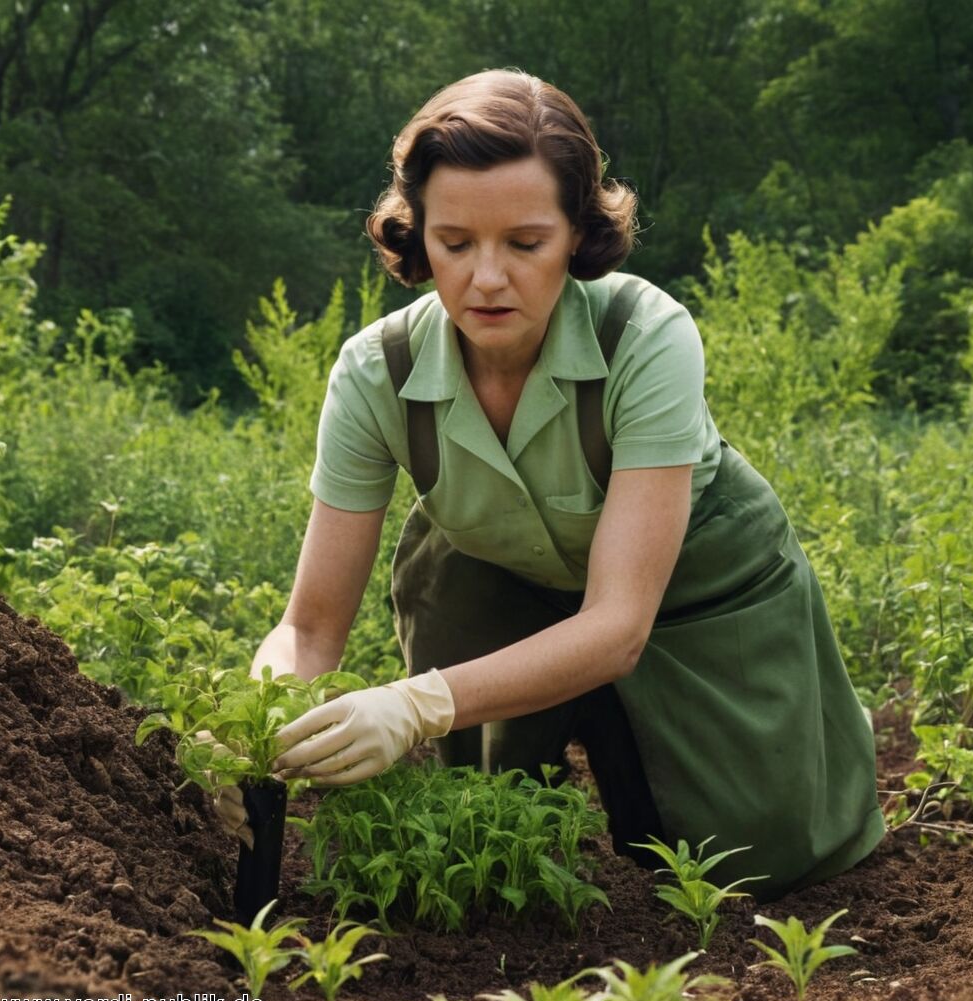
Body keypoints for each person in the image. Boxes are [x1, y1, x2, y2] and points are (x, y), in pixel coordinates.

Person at [214, 68, 885, 898]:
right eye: (454, 243)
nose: (486, 278)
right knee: (481, 847)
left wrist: (416, 705)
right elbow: (309, 630)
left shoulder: (645, 334)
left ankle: (771, 749)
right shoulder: (374, 371)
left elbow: (616, 624)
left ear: (577, 233)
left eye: (525, 244)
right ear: (416, 234)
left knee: (758, 860)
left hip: (691, 584)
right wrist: (256, 727)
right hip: (501, 570)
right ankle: (542, 736)